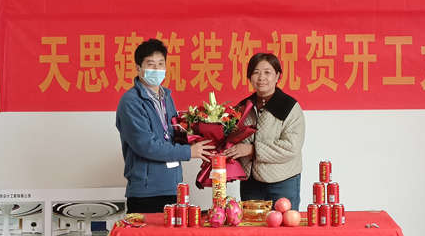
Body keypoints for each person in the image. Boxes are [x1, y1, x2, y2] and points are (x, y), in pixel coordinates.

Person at [116, 38, 214, 213]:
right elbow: (146, 146)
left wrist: (198, 138)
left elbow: (173, 135)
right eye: (151, 64)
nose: (157, 69)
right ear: (138, 68)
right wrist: (188, 152)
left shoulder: (166, 97)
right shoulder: (131, 102)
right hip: (146, 193)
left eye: (161, 64)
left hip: (173, 187)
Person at [223, 53, 305, 210]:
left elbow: (291, 147)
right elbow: (233, 139)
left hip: (282, 182)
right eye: (256, 72)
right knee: (251, 225)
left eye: (267, 72)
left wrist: (253, 150)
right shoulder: (243, 107)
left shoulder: (289, 107)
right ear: (249, 77)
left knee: (284, 225)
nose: (261, 77)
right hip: (250, 184)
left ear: (277, 76)